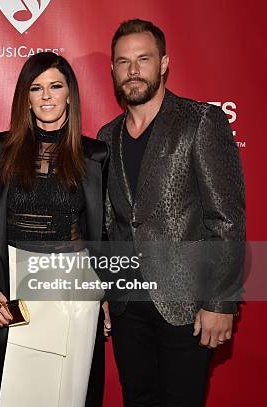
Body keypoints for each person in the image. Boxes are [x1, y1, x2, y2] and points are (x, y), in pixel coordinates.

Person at [97, 19, 245, 406]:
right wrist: (107, 292)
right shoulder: (105, 136)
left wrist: (220, 302)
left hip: (187, 305)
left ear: (163, 63)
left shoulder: (200, 121)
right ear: (113, 69)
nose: (132, 71)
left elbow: (226, 218)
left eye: (143, 59)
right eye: (123, 62)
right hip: (128, 306)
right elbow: (111, 223)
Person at [0, 52, 109, 407]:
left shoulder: (95, 155)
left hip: (72, 293)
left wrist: (107, 292)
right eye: (36, 88)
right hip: (12, 293)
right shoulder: (1, 148)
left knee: (68, 394)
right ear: (26, 97)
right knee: (10, 394)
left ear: (69, 95)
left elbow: (102, 233)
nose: (46, 96)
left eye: (55, 86)